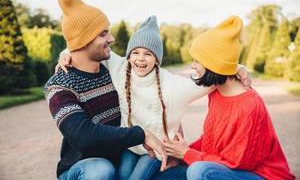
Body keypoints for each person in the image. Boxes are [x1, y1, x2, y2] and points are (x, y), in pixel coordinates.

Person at [58, 15, 250, 180]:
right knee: (122, 175)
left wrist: (238, 67)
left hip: (156, 151)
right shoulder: (119, 67)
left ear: (157, 59)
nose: (140, 59)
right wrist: (66, 53)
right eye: (135, 53)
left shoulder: (174, 85)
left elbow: (214, 76)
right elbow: (85, 48)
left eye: (148, 54)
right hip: (131, 146)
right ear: (128, 56)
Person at [44, 0, 167, 180]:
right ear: (83, 41)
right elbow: (83, 138)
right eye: (103, 34)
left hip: (122, 164)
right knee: (100, 169)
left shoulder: (114, 73)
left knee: (174, 171)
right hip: (83, 170)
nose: (111, 38)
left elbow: (158, 91)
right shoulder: (59, 86)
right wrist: (141, 134)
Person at [163, 16, 296, 180]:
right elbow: (210, 140)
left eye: (197, 61)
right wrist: (180, 152)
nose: (192, 66)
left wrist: (187, 154)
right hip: (223, 167)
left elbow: (240, 163)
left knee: (199, 172)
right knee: (165, 174)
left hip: (260, 174)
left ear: (214, 65)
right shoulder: (215, 92)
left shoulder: (249, 106)